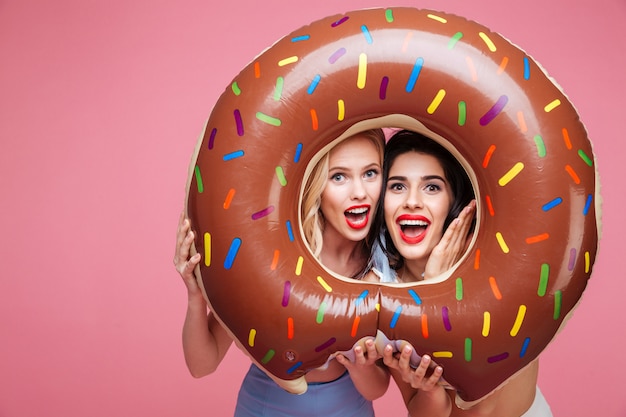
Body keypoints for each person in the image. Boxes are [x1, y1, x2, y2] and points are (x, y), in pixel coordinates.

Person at [174, 129, 391, 417]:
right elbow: (202, 365)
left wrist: (356, 361)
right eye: (338, 176)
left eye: (370, 173)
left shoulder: (384, 265)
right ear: (316, 184)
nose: (360, 193)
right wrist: (196, 296)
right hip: (265, 408)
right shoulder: (277, 256)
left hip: (349, 409)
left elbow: (377, 388)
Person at [370, 130, 551, 417]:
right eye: (397, 186)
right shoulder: (384, 294)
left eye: (432, 187)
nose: (412, 201)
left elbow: (483, 402)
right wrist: (429, 391)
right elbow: (422, 412)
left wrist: (437, 291)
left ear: (453, 200)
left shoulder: (493, 262)